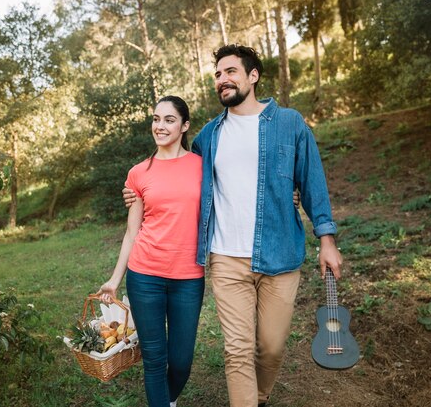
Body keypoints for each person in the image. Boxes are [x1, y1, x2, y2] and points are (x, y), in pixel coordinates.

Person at [124, 44, 342, 407]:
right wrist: (137, 194)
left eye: (230, 72)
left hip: (280, 254)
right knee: (237, 352)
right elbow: (177, 178)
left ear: (252, 76)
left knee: (270, 349)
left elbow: (312, 181)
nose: (222, 80)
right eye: (217, 75)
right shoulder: (207, 137)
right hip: (226, 260)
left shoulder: (290, 124)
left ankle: (259, 395)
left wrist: (327, 238)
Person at [98, 96, 204, 407]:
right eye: (156, 119)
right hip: (145, 276)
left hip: (189, 277)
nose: (160, 125)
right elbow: (133, 231)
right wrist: (115, 279)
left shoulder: (202, 167)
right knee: (155, 360)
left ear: (184, 126)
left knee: (182, 361)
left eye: (169, 120)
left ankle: (166, 400)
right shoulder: (139, 173)